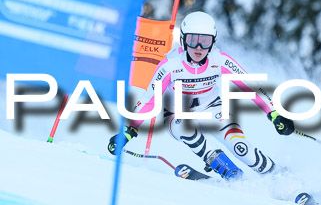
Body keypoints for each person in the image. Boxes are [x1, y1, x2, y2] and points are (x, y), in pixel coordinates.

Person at [108, 11, 295, 180]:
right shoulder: (170, 65)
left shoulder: (219, 60)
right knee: (187, 128)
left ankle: (282, 178)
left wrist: (274, 114)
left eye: (205, 41)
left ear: (212, 42)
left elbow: (249, 85)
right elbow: (149, 100)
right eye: (192, 40)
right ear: (183, 40)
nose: (198, 48)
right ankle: (229, 172)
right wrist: (128, 131)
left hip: (213, 109)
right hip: (177, 116)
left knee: (241, 148)